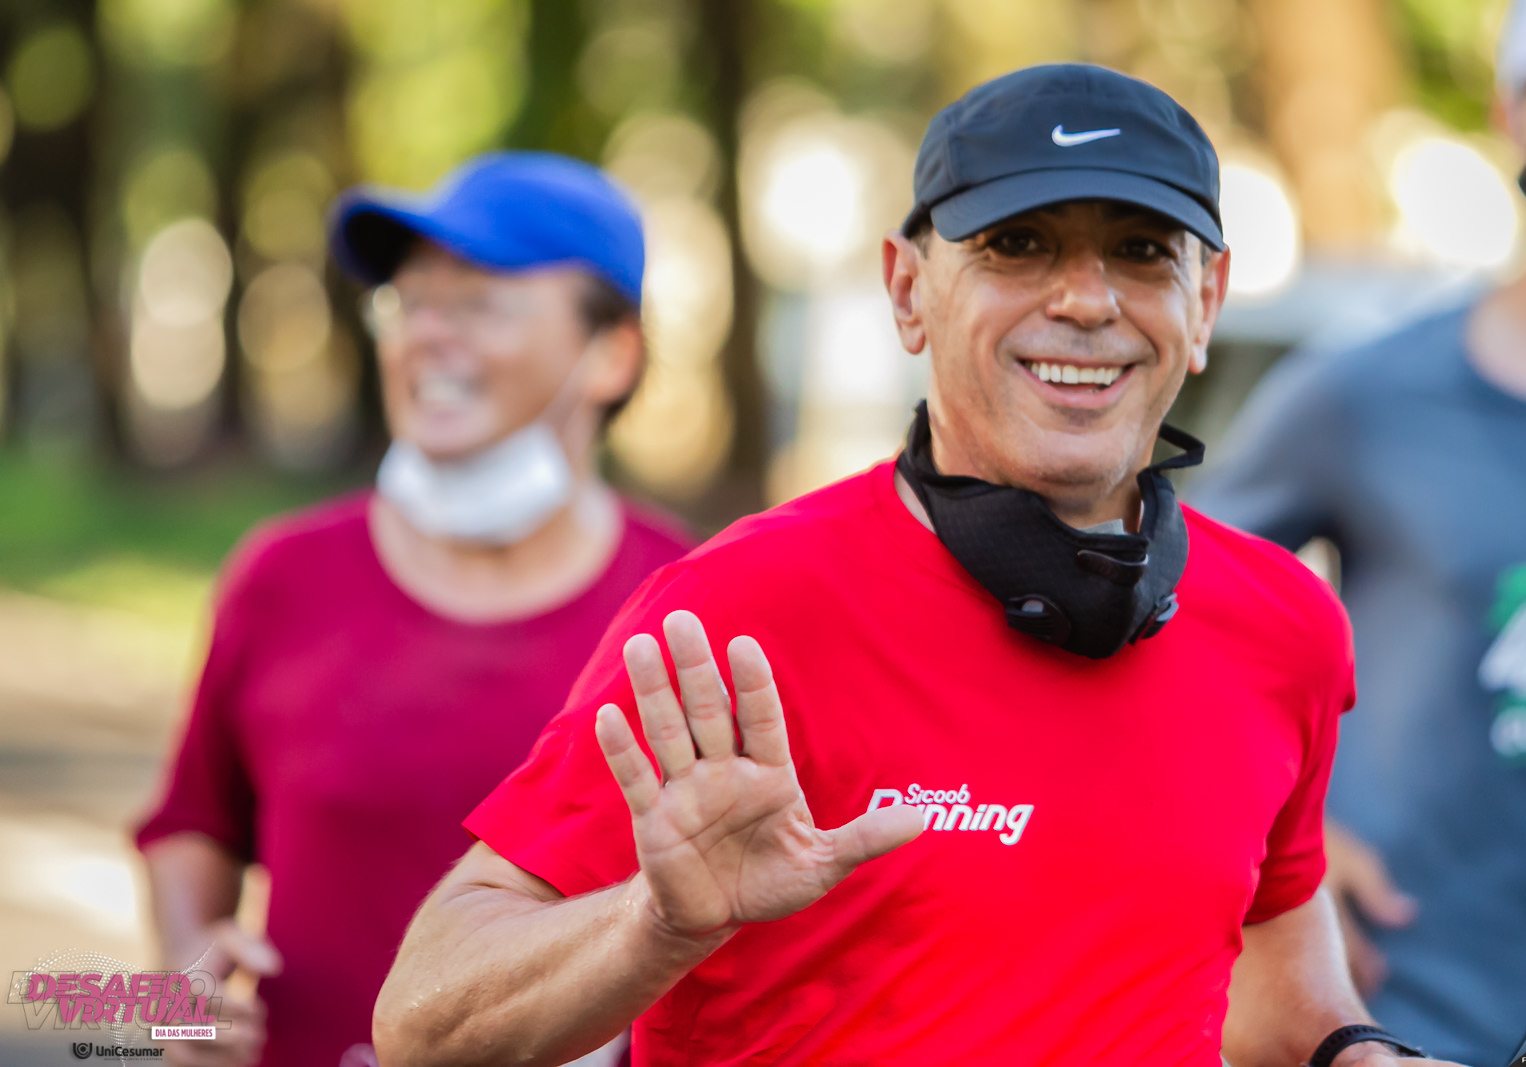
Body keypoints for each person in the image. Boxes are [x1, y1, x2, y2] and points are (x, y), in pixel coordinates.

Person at [372, 67, 1468, 1067]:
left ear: (1206, 302)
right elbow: (422, 1024)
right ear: (907, 291)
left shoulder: (1285, 623)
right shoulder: (738, 614)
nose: (1086, 300)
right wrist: (654, 924)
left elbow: (1267, 932)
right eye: (1018, 244)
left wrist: (1352, 1049)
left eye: (1141, 251)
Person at [134, 152, 694, 1067]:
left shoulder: (691, 601)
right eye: (409, 302)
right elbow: (191, 821)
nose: (426, 334)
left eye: (477, 303)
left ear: (611, 353)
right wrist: (179, 982)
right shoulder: (283, 577)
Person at [1189, 3, 1526, 1063]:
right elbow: (1160, 615)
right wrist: (1283, 835)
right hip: (1434, 1017)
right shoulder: (1365, 398)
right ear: (1514, 111)